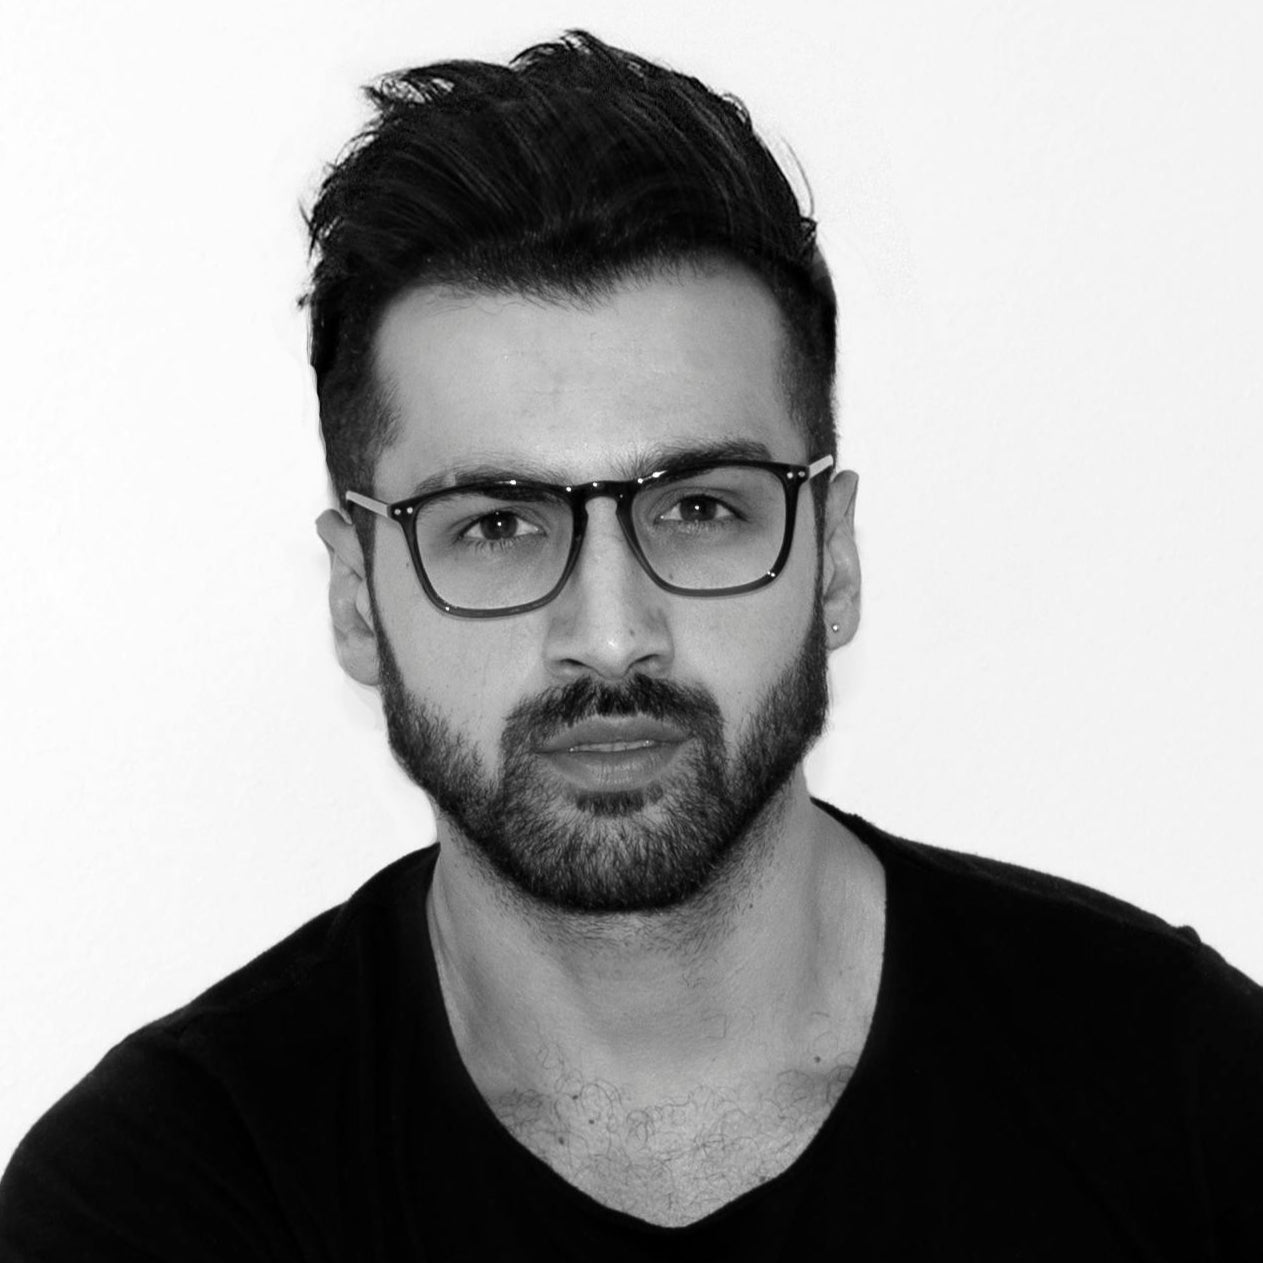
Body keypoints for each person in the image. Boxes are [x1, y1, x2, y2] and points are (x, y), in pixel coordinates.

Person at [1, 28, 1260, 1260]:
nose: (609, 636)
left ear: (831, 558)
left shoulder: (1181, 1097)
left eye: (699, 510)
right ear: (357, 598)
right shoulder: (165, 1198)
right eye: (496, 525)